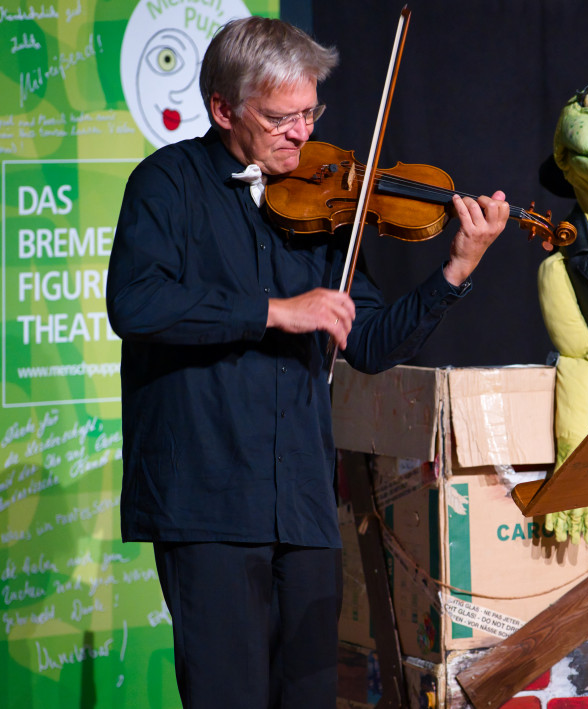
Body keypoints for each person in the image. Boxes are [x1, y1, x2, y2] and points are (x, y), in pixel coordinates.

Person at [106, 16, 509, 709]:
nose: (301, 131)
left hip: (301, 503)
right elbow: (136, 306)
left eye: (309, 112)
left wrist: (455, 270)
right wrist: (273, 309)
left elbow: (374, 343)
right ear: (224, 109)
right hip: (207, 502)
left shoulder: (324, 207)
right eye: (280, 117)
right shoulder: (166, 183)